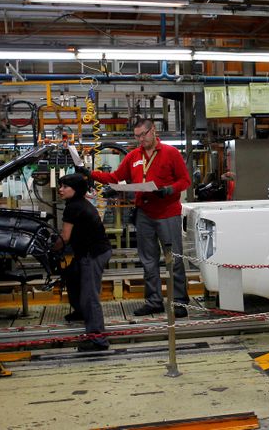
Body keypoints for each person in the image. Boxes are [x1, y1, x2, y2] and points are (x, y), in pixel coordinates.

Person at [78, 118, 192, 317]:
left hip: (167, 212)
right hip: (145, 214)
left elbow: (185, 180)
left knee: (173, 259)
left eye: (143, 135)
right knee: (148, 260)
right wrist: (91, 174)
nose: (140, 140)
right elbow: (115, 177)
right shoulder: (133, 156)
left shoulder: (170, 153)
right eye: (137, 136)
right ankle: (154, 301)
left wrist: (169, 189)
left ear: (153, 131)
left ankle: (180, 302)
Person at [54, 173, 112, 352]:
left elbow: (65, 237)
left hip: (93, 254)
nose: (60, 190)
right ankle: (80, 312)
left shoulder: (74, 207)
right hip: (91, 251)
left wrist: (50, 250)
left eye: (65, 187)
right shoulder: (78, 202)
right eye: (60, 186)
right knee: (72, 275)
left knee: (89, 296)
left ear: (76, 189)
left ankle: (98, 339)